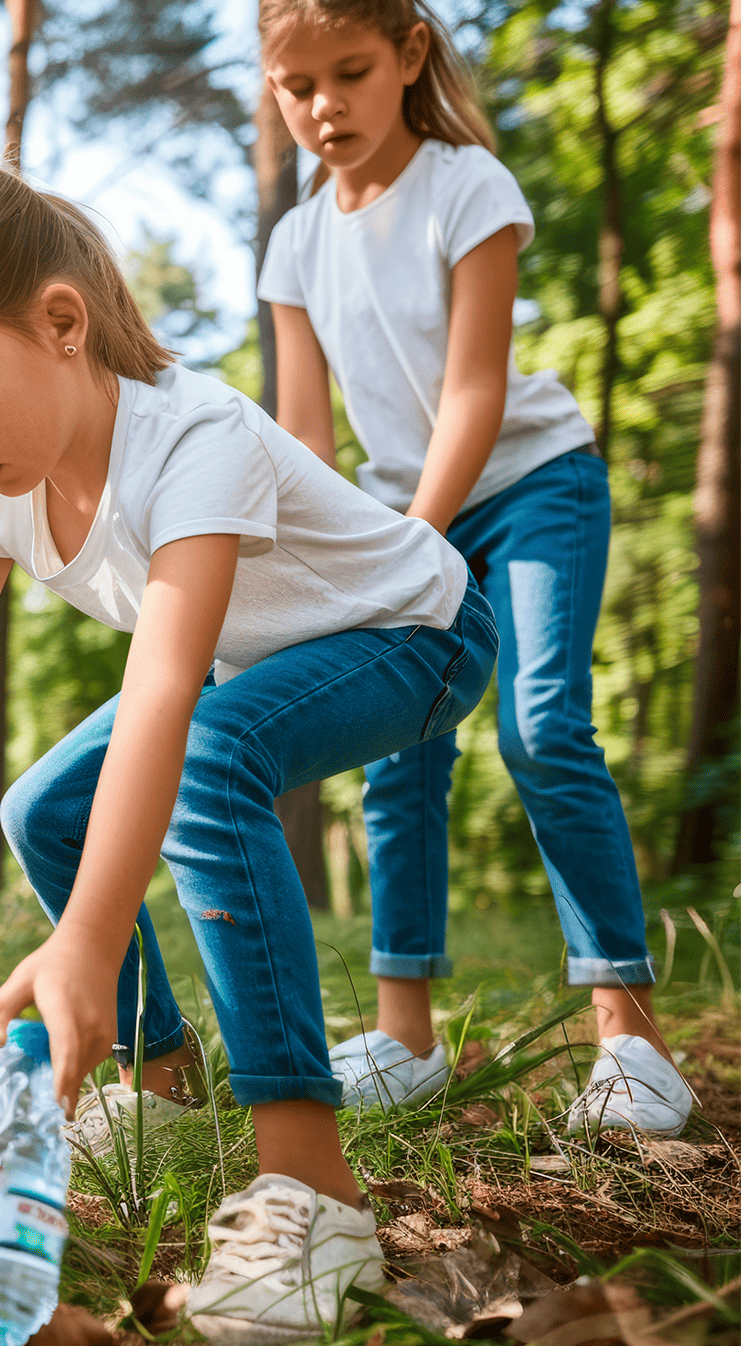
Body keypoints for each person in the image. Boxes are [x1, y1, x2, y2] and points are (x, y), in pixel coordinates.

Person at [0, 146, 497, 1344]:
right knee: (40, 808)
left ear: (60, 324)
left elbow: (163, 692)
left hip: (414, 630)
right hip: (253, 662)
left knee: (210, 759)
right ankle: (159, 1082)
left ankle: (312, 1191)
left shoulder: (192, 441)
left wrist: (87, 936)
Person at [256, 0, 688, 1133]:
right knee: (397, 752)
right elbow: (305, 435)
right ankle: (405, 1037)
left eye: (350, 72)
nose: (324, 105)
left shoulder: (467, 187)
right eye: (297, 85)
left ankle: (631, 1041)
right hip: (403, 516)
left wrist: (416, 534)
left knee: (542, 727)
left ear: (408, 55)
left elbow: (474, 389)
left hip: (532, 486)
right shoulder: (295, 242)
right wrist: (318, 566)